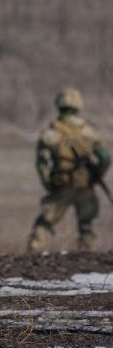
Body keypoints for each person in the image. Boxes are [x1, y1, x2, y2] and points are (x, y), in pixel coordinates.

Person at [27, 88, 109, 252]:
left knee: (44, 222)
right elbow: (105, 158)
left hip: (61, 184)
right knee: (86, 225)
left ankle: (32, 253)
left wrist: (48, 182)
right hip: (85, 185)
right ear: (79, 105)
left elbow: (42, 163)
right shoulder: (88, 132)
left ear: (58, 105)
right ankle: (87, 261)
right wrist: (95, 176)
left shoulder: (51, 133)